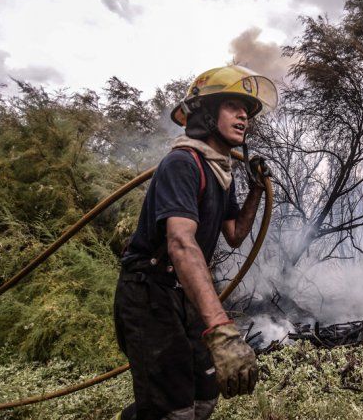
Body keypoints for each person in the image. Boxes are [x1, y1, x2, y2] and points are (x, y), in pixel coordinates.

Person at [113, 65, 278, 420]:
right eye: (234, 106)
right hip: (149, 293)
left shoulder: (221, 173)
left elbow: (234, 235)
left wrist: (254, 192)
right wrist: (220, 327)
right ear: (205, 112)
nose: (244, 117)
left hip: (181, 293)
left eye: (247, 112)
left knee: (204, 396)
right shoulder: (182, 164)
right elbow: (181, 244)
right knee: (171, 409)